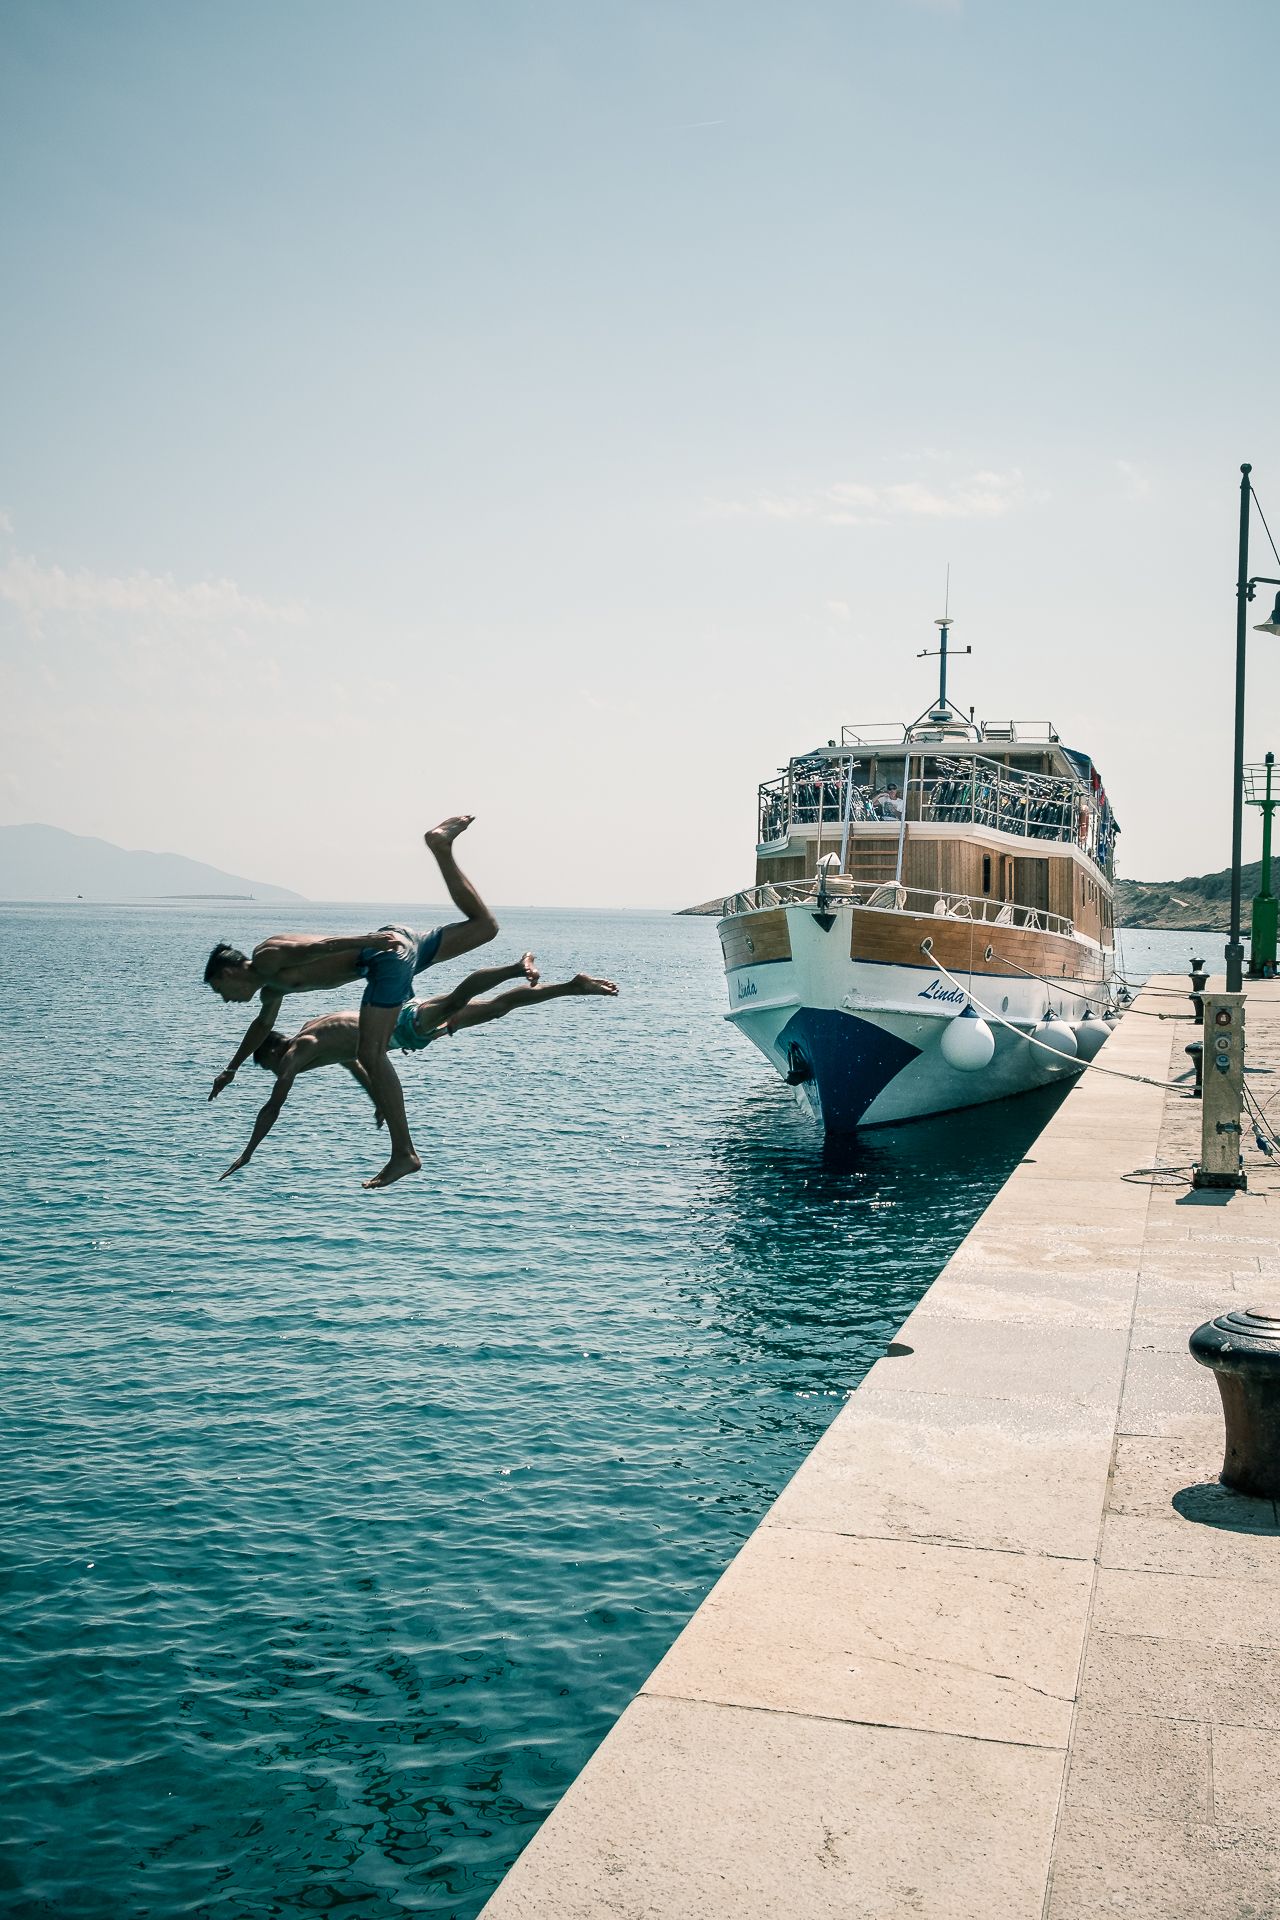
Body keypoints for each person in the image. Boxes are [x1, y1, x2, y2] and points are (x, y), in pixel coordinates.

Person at [204, 815, 496, 1188]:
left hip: (382, 955)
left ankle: (404, 1153)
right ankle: (441, 847)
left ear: (229, 973)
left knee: (370, 1053)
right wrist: (232, 1068)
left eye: (220, 990)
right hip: (398, 945)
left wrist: (366, 941)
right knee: (485, 927)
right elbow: (262, 1026)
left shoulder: (266, 956)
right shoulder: (272, 988)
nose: (226, 1000)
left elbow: (318, 947)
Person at [218, 956, 619, 1180]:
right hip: (403, 1021)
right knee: (498, 1008)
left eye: (271, 1067)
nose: (279, 1074)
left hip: (405, 1026)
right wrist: (378, 1100)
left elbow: (273, 1107)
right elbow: (356, 1061)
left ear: (275, 1051)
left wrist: (248, 1152)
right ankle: (572, 986)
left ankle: (516, 967)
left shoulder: (295, 1053)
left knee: (457, 998)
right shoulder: (314, 1033)